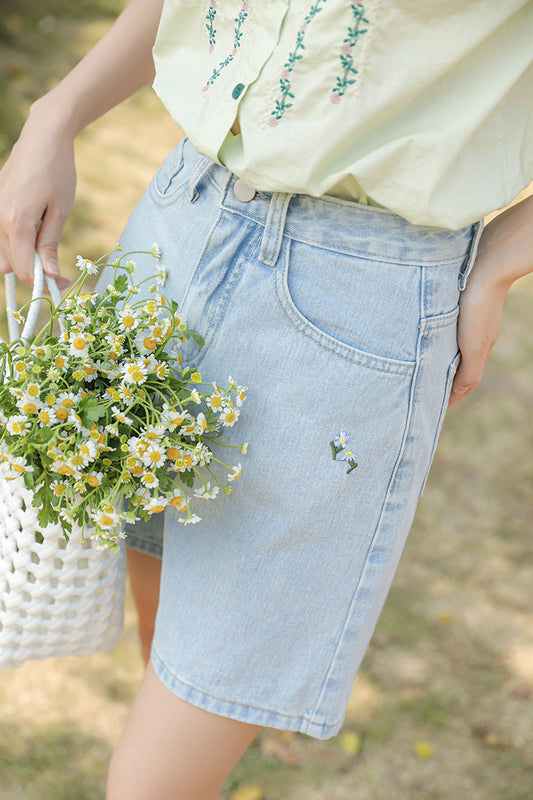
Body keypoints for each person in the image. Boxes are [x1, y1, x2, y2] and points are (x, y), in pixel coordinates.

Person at [0, 1, 532, 798]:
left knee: (156, 772)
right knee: (165, 630)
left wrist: (500, 260)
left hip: (355, 287)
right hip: (182, 218)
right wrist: (56, 111)